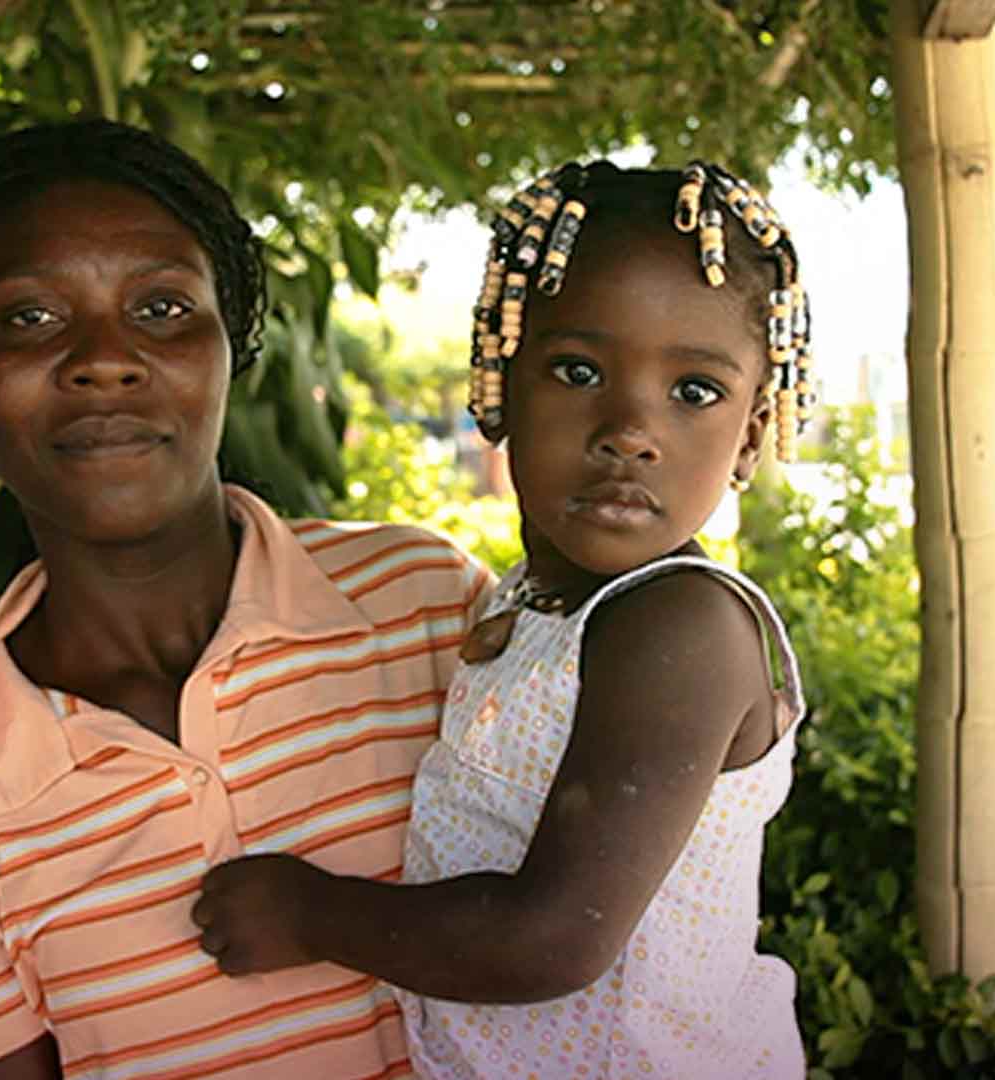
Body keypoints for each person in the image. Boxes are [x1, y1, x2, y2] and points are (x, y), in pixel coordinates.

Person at [0, 120, 493, 1080]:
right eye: (28, 317)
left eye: (161, 307)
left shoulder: (427, 610)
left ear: (234, 349)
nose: (104, 358)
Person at [191, 159, 814, 1078]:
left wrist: (308, 914)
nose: (630, 428)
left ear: (752, 434)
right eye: (577, 369)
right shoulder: (530, 602)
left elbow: (552, 939)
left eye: (694, 392)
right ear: (498, 384)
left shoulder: (679, 629)